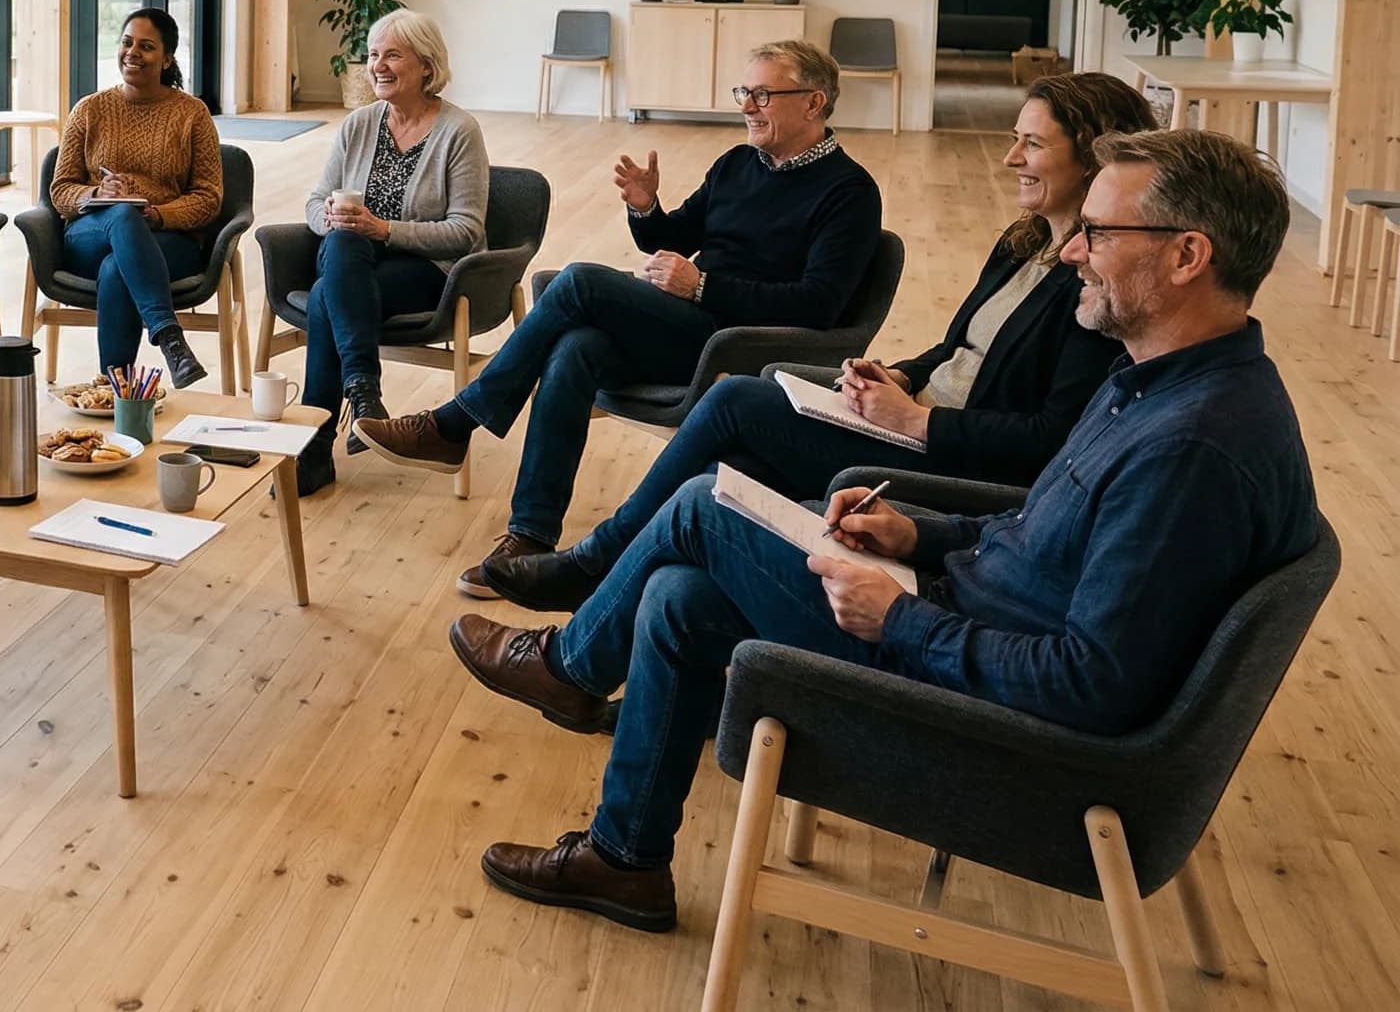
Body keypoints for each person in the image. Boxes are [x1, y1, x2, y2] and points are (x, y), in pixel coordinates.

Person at [449, 128, 1317, 934]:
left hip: (989, 723)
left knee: (707, 501)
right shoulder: (1160, 383)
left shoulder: (1192, 450)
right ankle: (624, 860)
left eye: (1099, 233)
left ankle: (568, 665)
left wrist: (900, 618)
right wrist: (918, 536)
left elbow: (1090, 686)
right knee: (679, 595)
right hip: (966, 618)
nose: (1074, 253)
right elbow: (1036, 527)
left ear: (1187, 256)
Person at [481, 72, 1156, 612]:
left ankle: (583, 550)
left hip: (930, 444)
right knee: (589, 356)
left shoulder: (1098, 284)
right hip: (899, 412)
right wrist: (896, 372)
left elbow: (1049, 441)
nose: (1010, 157)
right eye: (741, 93)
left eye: (1030, 144)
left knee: (689, 368)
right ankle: (580, 560)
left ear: (814, 102)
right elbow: (956, 350)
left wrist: (919, 418)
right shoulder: (1025, 243)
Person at [356, 39, 884, 598]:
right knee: (575, 348)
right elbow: (675, 236)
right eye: (743, 92)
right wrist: (646, 207)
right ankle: (531, 535)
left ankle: (456, 422)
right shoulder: (736, 164)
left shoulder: (849, 192)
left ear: (814, 102)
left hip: (736, 344)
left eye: (762, 94)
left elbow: (818, 305)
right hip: (687, 320)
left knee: (577, 281)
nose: (747, 106)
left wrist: (703, 285)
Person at [293, 9, 490, 497]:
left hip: (427, 271)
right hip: (354, 265)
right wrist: (332, 220)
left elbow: (466, 231)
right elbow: (317, 201)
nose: (376, 65)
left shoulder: (458, 131)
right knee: (340, 243)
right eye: (373, 54)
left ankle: (317, 448)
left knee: (325, 297)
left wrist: (384, 230)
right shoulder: (358, 124)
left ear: (426, 65)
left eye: (392, 55)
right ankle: (363, 396)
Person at [50, 7, 225, 389]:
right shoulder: (89, 109)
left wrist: (159, 215)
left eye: (146, 47)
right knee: (122, 217)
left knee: (118, 268)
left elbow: (209, 197)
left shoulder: (192, 114)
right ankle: (169, 336)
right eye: (127, 42)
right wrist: (97, 193)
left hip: (166, 240)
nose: (132, 52)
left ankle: (116, 392)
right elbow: (60, 190)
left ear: (166, 59)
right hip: (89, 235)